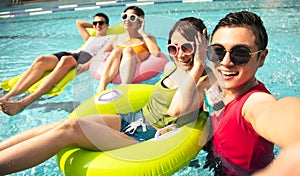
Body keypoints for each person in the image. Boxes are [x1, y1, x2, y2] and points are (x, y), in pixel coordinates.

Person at [0, 17, 211, 175]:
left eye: (187, 47)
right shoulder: (173, 67)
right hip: (135, 118)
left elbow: (176, 109)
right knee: (66, 122)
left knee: (69, 129)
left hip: (148, 137)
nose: (180, 54)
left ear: (201, 44)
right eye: (174, 48)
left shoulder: (204, 78)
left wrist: (200, 63)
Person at [202, 11, 300, 175]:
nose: (225, 62)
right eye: (217, 51)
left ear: (261, 58)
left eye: (240, 53)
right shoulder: (216, 87)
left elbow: (280, 115)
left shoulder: (253, 103)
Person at [0, 13, 110, 116]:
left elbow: (103, 55)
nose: (97, 25)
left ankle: (23, 102)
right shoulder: (90, 38)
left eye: (101, 23)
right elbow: (79, 23)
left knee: (65, 60)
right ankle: (8, 96)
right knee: (41, 60)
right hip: (71, 53)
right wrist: (96, 27)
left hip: (84, 57)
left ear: (107, 25)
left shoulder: (109, 39)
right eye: (95, 23)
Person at [95, 6, 161, 92]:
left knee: (128, 50)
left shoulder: (147, 38)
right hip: (117, 68)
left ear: (140, 21)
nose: (127, 20)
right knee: (117, 51)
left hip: (138, 69)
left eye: (132, 17)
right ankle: (101, 87)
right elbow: (99, 54)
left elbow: (156, 53)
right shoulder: (116, 38)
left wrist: (142, 32)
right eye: (124, 16)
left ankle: (124, 86)